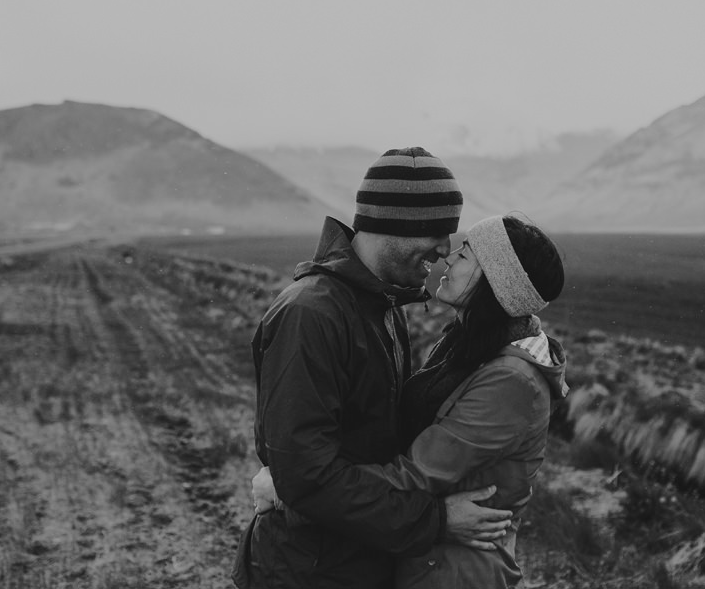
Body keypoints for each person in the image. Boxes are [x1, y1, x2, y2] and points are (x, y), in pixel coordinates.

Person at [231, 148, 514, 589]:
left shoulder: (383, 306)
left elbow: (374, 444)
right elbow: (308, 476)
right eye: (438, 233)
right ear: (396, 225)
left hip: (358, 560)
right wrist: (435, 521)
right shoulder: (311, 315)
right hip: (309, 572)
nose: (444, 251)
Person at [253, 214, 569, 588]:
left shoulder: (511, 381)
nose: (448, 258)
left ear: (496, 283)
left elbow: (416, 475)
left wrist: (295, 490)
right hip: (426, 559)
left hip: (456, 572)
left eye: (465, 253)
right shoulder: (464, 348)